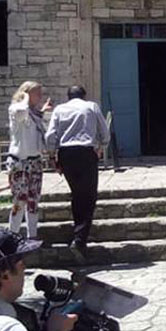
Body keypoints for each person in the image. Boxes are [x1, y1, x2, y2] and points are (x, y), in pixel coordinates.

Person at [45, 86, 110, 263]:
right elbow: (104, 131)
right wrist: (101, 146)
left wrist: (52, 155)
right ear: (84, 96)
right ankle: (80, 240)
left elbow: (50, 135)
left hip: (66, 154)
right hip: (85, 152)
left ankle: (79, 234)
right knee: (88, 196)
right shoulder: (91, 106)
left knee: (77, 193)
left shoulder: (59, 109)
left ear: (68, 97)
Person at [8, 81, 52, 239]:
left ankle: (32, 236)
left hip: (35, 161)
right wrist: (25, 97)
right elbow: (22, 112)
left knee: (33, 201)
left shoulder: (35, 114)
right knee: (19, 201)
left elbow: (44, 131)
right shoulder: (16, 109)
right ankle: (12, 235)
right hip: (20, 162)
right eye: (36, 93)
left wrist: (44, 113)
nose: (40, 96)